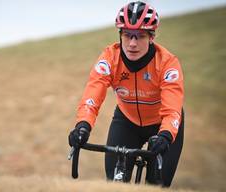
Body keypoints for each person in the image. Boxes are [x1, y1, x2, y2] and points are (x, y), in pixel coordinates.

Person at [68, 1, 184, 187]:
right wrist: (83, 125)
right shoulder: (109, 58)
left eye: (140, 36)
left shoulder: (167, 63)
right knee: (115, 184)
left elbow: (172, 109)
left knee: (157, 184)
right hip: (127, 121)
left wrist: (166, 135)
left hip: (162, 126)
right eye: (127, 35)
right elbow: (92, 95)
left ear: (152, 37)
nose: (132, 43)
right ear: (120, 35)